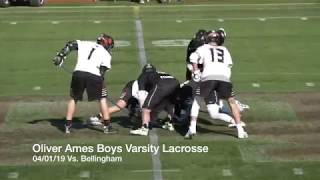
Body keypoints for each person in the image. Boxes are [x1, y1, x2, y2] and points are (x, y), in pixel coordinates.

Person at [186, 30, 248, 139]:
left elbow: (192, 58)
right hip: (224, 78)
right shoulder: (224, 49)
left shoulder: (203, 48)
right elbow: (229, 65)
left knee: (197, 100)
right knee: (232, 102)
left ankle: (192, 128)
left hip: (208, 77)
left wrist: (196, 72)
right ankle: (240, 130)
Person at [52, 33, 117, 134]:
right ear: (106, 44)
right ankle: (107, 126)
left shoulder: (86, 44)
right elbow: (102, 72)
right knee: (102, 98)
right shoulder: (107, 54)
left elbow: (71, 44)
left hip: (78, 73)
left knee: (74, 98)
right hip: (94, 75)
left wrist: (61, 56)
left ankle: (67, 126)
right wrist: (100, 82)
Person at [130, 64, 180, 136]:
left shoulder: (143, 76)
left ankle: (144, 128)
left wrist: (142, 109)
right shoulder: (161, 73)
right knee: (170, 104)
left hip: (162, 85)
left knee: (146, 108)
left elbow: (141, 95)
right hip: (176, 83)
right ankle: (170, 123)